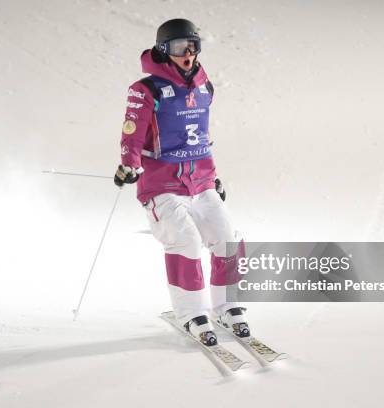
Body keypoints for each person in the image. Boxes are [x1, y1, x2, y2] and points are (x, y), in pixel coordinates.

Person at [113, 18, 248, 346]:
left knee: (226, 237)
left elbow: (201, 137)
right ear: (163, 50)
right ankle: (192, 313)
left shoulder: (205, 87)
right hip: (162, 185)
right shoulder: (146, 90)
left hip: (199, 181)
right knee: (185, 239)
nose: (187, 55)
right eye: (178, 48)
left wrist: (213, 177)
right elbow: (131, 132)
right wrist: (129, 165)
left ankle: (227, 306)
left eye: (192, 47)